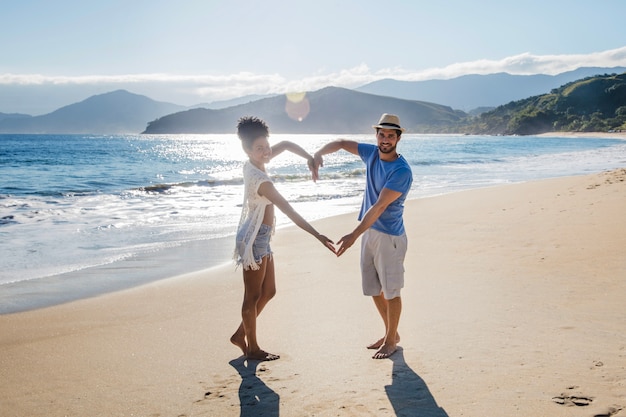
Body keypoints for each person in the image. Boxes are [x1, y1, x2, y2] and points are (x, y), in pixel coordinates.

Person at [231, 116, 336, 361]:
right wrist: (317, 235)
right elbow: (289, 210)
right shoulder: (262, 181)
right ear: (247, 150)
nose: (267, 152)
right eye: (260, 149)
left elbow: (287, 144)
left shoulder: (256, 160)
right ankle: (253, 348)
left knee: (269, 291)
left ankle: (240, 334)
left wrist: (310, 159)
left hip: (263, 236)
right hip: (255, 239)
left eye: (267, 146)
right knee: (252, 296)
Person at [313, 113, 413, 359]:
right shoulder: (370, 153)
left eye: (391, 135)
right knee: (374, 288)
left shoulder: (401, 171)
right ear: (376, 135)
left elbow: (379, 206)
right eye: (382, 134)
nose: (385, 139)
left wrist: (353, 235)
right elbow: (340, 143)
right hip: (369, 231)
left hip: (390, 237)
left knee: (391, 291)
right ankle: (392, 333)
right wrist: (318, 154)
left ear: (398, 138)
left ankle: (391, 341)